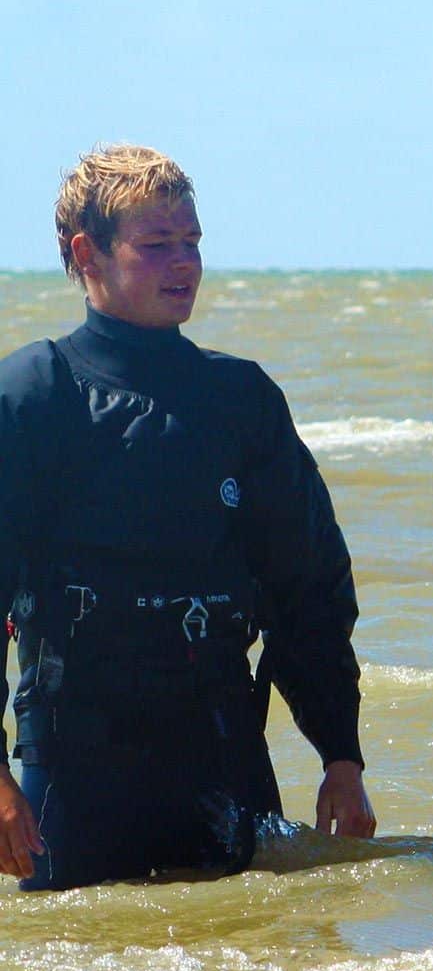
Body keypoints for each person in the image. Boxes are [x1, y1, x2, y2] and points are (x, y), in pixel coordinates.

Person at [0, 145, 374, 891]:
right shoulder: (34, 396)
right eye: (157, 244)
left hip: (220, 760)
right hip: (75, 771)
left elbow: (309, 588)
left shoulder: (241, 402)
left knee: (254, 969)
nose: (185, 263)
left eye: (193, 242)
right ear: (88, 253)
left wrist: (341, 755)